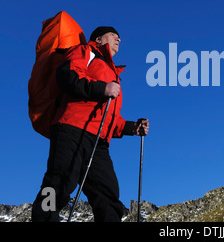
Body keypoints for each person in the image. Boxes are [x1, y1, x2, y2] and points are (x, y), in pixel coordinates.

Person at [31, 26, 149, 222]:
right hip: (71, 129)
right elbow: (68, 76)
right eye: (113, 36)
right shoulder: (85, 52)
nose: (119, 39)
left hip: (99, 141)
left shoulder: (112, 72)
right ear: (99, 39)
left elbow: (109, 117)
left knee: (107, 192)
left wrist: (132, 128)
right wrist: (102, 88)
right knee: (58, 183)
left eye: (119, 37)